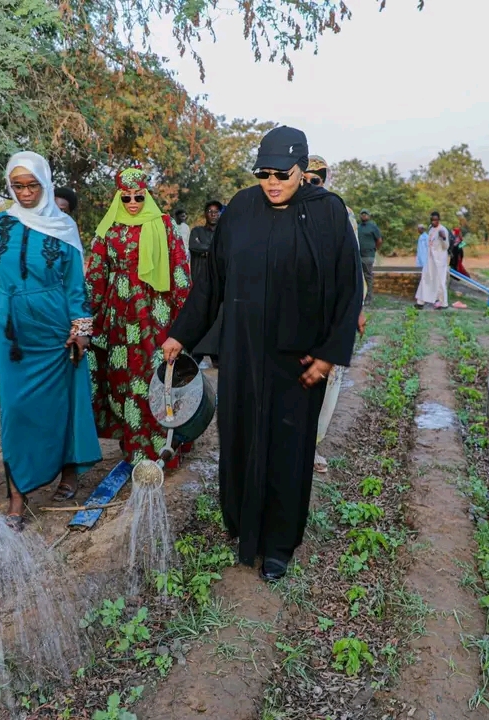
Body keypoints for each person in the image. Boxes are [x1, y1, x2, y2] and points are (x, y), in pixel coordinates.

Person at [162, 126, 362, 582]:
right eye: (263, 174)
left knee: (288, 448)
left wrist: (329, 356)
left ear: (302, 170)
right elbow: (211, 283)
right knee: (241, 439)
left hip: (299, 360)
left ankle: (278, 545)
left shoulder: (328, 213)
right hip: (243, 351)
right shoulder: (242, 210)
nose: (272, 182)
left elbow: (348, 289)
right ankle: (242, 528)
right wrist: (181, 334)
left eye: (281, 174)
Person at [0, 152, 102, 530]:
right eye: (18, 185)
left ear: (45, 183)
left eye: (33, 185)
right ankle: (18, 493)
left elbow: (75, 284)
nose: (26, 192)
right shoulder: (0, 225)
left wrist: (81, 330)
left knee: (63, 403)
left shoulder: (63, 226)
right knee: (15, 411)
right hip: (12, 329)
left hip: (54, 328)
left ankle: (70, 472)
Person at [86, 167, 191, 467]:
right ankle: (133, 445)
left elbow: (179, 271)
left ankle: (163, 445)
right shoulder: (108, 229)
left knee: (158, 375)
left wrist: (186, 321)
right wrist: (87, 317)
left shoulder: (164, 225)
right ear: (119, 195)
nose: (133, 202)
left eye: (139, 197)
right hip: (119, 317)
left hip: (155, 317)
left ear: (148, 194)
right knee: (123, 379)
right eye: (127, 197)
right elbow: (96, 275)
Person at [304, 155, 367, 474]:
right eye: (304, 179)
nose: (309, 186)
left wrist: (356, 308)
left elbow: (352, 265)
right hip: (297, 311)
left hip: (332, 310)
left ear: (324, 181)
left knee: (328, 378)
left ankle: (312, 445)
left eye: (315, 180)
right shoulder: (286, 210)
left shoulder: (342, 213)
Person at [188, 200, 224, 366]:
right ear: (205, 214)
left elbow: (224, 250)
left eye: (216, 211)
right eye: (210, 211)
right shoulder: (197, 231)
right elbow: (195, 247)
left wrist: (208, 250)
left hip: (219, 285)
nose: (213, 214)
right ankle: (195, 355)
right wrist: (212, 250)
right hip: (199, 282)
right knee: (198, 317)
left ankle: (216, 356)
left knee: (216, 319)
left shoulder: (224, 233)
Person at [415, 212, 450, 309]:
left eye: (436, 220)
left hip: (439, 261)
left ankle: (443, 303)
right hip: (430, 259)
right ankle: (420, 302)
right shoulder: (431, 229)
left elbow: (446, 246)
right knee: (425, 278)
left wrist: (443, 238)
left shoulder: (443, 230)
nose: (434, 222)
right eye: (432, 220)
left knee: (440, 281)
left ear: (439, 220)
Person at [356, 209, 382, 304]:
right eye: (362, 214)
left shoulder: (373, 227)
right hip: (358, 255)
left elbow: (379, 240)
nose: (363, 216)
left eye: (365, 214)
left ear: (369, 216)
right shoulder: (357, 227)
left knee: (368, 276)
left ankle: (369, 297)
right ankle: (360, 297)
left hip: (368, 255)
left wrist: (374, 249)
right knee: (359, 277)